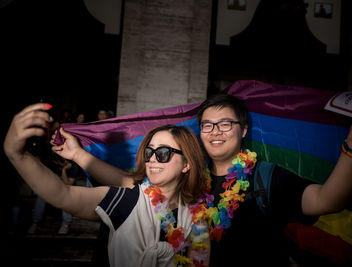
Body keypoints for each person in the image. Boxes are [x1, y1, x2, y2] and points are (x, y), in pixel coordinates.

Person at [51, 92, 352, 266]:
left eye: (225, 124)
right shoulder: (183, 176)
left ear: (242, 130)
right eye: (207, 126)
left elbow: (328, 200)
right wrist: (79, 156)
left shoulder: (265, 177)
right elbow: (128, 183)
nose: (215, 132)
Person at [3, 103, 211, 267]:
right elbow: (63, 195)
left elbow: (200, 261)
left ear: (186, 164)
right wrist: (17, 156)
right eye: (149, 151)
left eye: (163, 153)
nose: (153, 159)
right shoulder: (128, 200)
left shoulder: (197, 217)